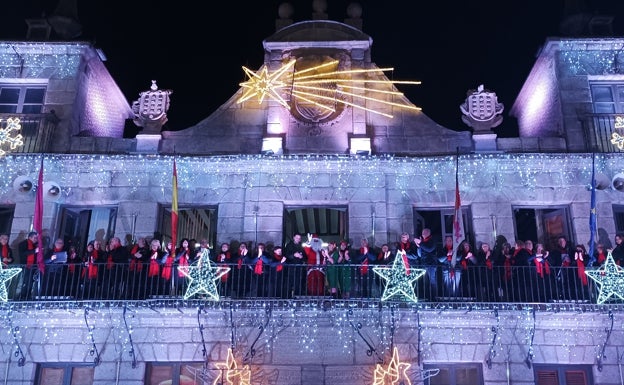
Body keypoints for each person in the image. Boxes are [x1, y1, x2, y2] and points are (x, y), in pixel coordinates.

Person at [415, 228, 439, 300]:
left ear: (428, 233)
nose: (422, 234)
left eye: (424, 232)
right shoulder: (423, 242)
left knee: (432, 281)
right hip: (424, 264)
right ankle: (427, 297)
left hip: (431, 264)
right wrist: (419, 246)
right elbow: (420, 254)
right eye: (422, 232)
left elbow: (430, 249)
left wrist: (421, 243)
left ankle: (433, 297)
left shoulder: (432, 240)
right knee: (425, 281)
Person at [18, 231, 39, 300]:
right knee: (25, 281)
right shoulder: (23, 244)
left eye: (36, 238)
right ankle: (22, 296)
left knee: (31, 282)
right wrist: (34, 251)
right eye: (34, 238)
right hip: (26, 265)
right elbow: (23, 253)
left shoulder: (35, 245)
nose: (36, 239)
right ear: (30, 237)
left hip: (33, 266)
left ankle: (28, 295)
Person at [284, 233, 306, 297]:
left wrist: (301, 257)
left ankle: (297, 296)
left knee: (298, 282)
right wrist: (293, 255)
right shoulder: (289, 245)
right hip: (291, 267)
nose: (298, 239)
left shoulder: (301, 246)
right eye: (297, 238)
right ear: (293, 238)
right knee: (289, 282)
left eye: (299, 238)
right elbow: (286, 255)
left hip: (299, 267)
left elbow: (305, 257)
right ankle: (288, 296)